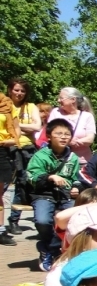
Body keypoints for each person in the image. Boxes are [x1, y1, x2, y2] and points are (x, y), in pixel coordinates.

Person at [27, 119, 81, 271]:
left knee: (76, 220)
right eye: (59, 134)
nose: (63, 137)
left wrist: (76, 188)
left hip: (65, 195)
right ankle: (50, 248)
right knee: (43, 221)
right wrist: (50, 177)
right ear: (49, 136)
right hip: (43, 194)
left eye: (67, 134)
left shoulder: (73, 158)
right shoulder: (40, 156)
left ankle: (64, 252)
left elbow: (76, 178)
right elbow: (32, 176)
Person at [7, 79, 41, 236]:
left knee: (24, 183)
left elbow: (37, 126)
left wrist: (15, 125)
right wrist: (26, 128)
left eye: (22, 90)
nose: (19, 93)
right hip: (7, 148)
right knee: (4, 185)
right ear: (10, 90)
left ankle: (14, 220)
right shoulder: (4, 106)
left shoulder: (31, 107)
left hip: (27, 149)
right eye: (16, 90)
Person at [47, 87, 96, 166]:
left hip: (81, 162)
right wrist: (70, 141)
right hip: (58, 160)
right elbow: (50, 133)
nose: (58, 100)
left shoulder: (87, 116)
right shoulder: (55, 112)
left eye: (61, 98)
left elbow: (90, 139)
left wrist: (73, 142)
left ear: (73, 99)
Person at [0, 94, 19, 247]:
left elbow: (16, 131)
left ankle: (0, 231)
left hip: (1, 150)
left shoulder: (6, 104)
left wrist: (11, 141)